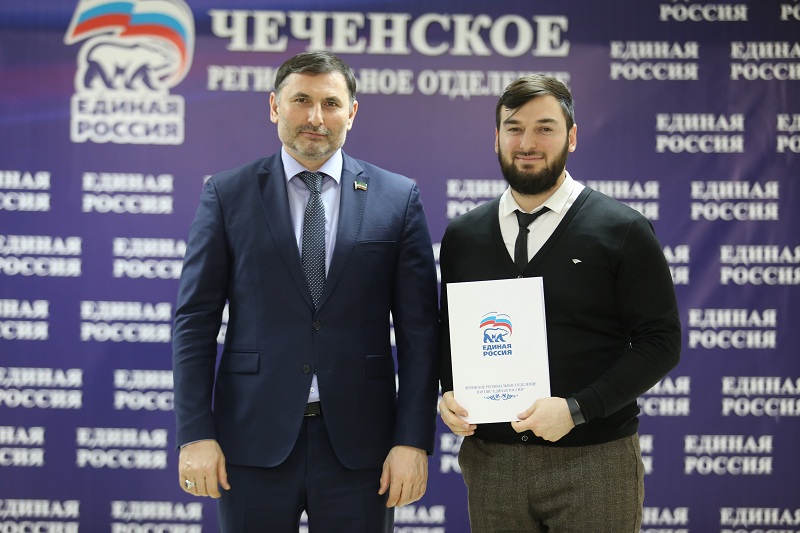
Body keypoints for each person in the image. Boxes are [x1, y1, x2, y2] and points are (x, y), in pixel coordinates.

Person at [172, 50, 440, 533]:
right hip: (250, 443)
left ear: (351, 113)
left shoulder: (397, 198)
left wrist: (412, 440)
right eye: (301, 100)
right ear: (275, 106)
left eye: (331, 103)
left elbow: (420, 333)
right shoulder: (227, 194)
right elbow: (195, 322)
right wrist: (195, 434)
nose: (316, 117)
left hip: (362, 449)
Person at [438, 74, 681, 532]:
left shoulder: (622, 230)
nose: (527, 143)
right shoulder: (463, 235)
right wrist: (449, 393)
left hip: (595, 460)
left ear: (571, 137)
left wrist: (577, 409)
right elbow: (452, 332)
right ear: (496, 137)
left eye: (545, 128)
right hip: (492, 463)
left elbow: (661, 342)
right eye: (514, 128)